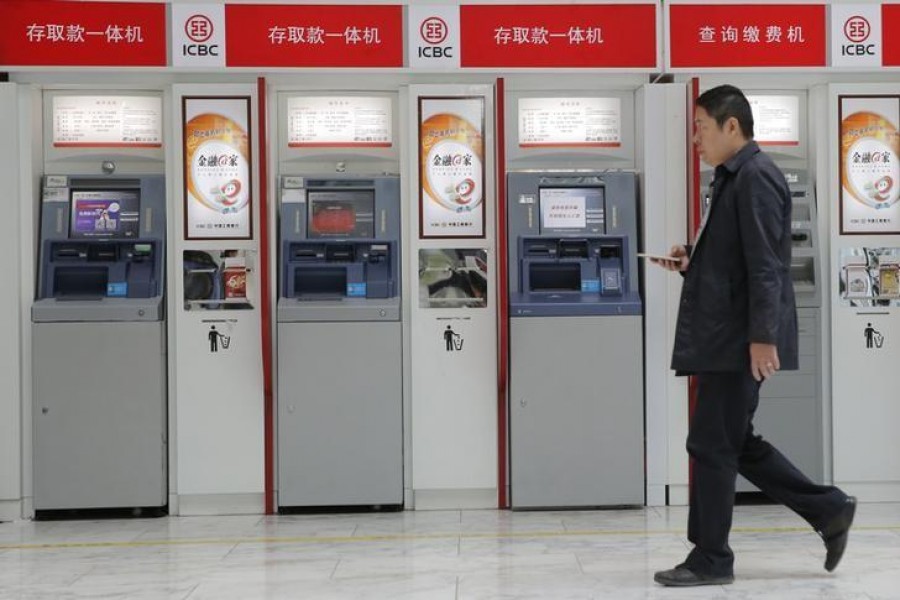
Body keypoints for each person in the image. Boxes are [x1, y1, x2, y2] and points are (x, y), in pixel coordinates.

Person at [650, 85, 856, 587]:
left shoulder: (757, 177)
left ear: (731, 127)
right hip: (730, 332)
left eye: (700, 127)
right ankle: (829, 509)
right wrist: (688, 260)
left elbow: (768, 265)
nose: (695, 138)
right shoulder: (733, 177)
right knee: (734, 441)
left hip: (738, 339)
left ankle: (711, 558)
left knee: (710, 444)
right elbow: (735, 260)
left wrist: (762, 337)